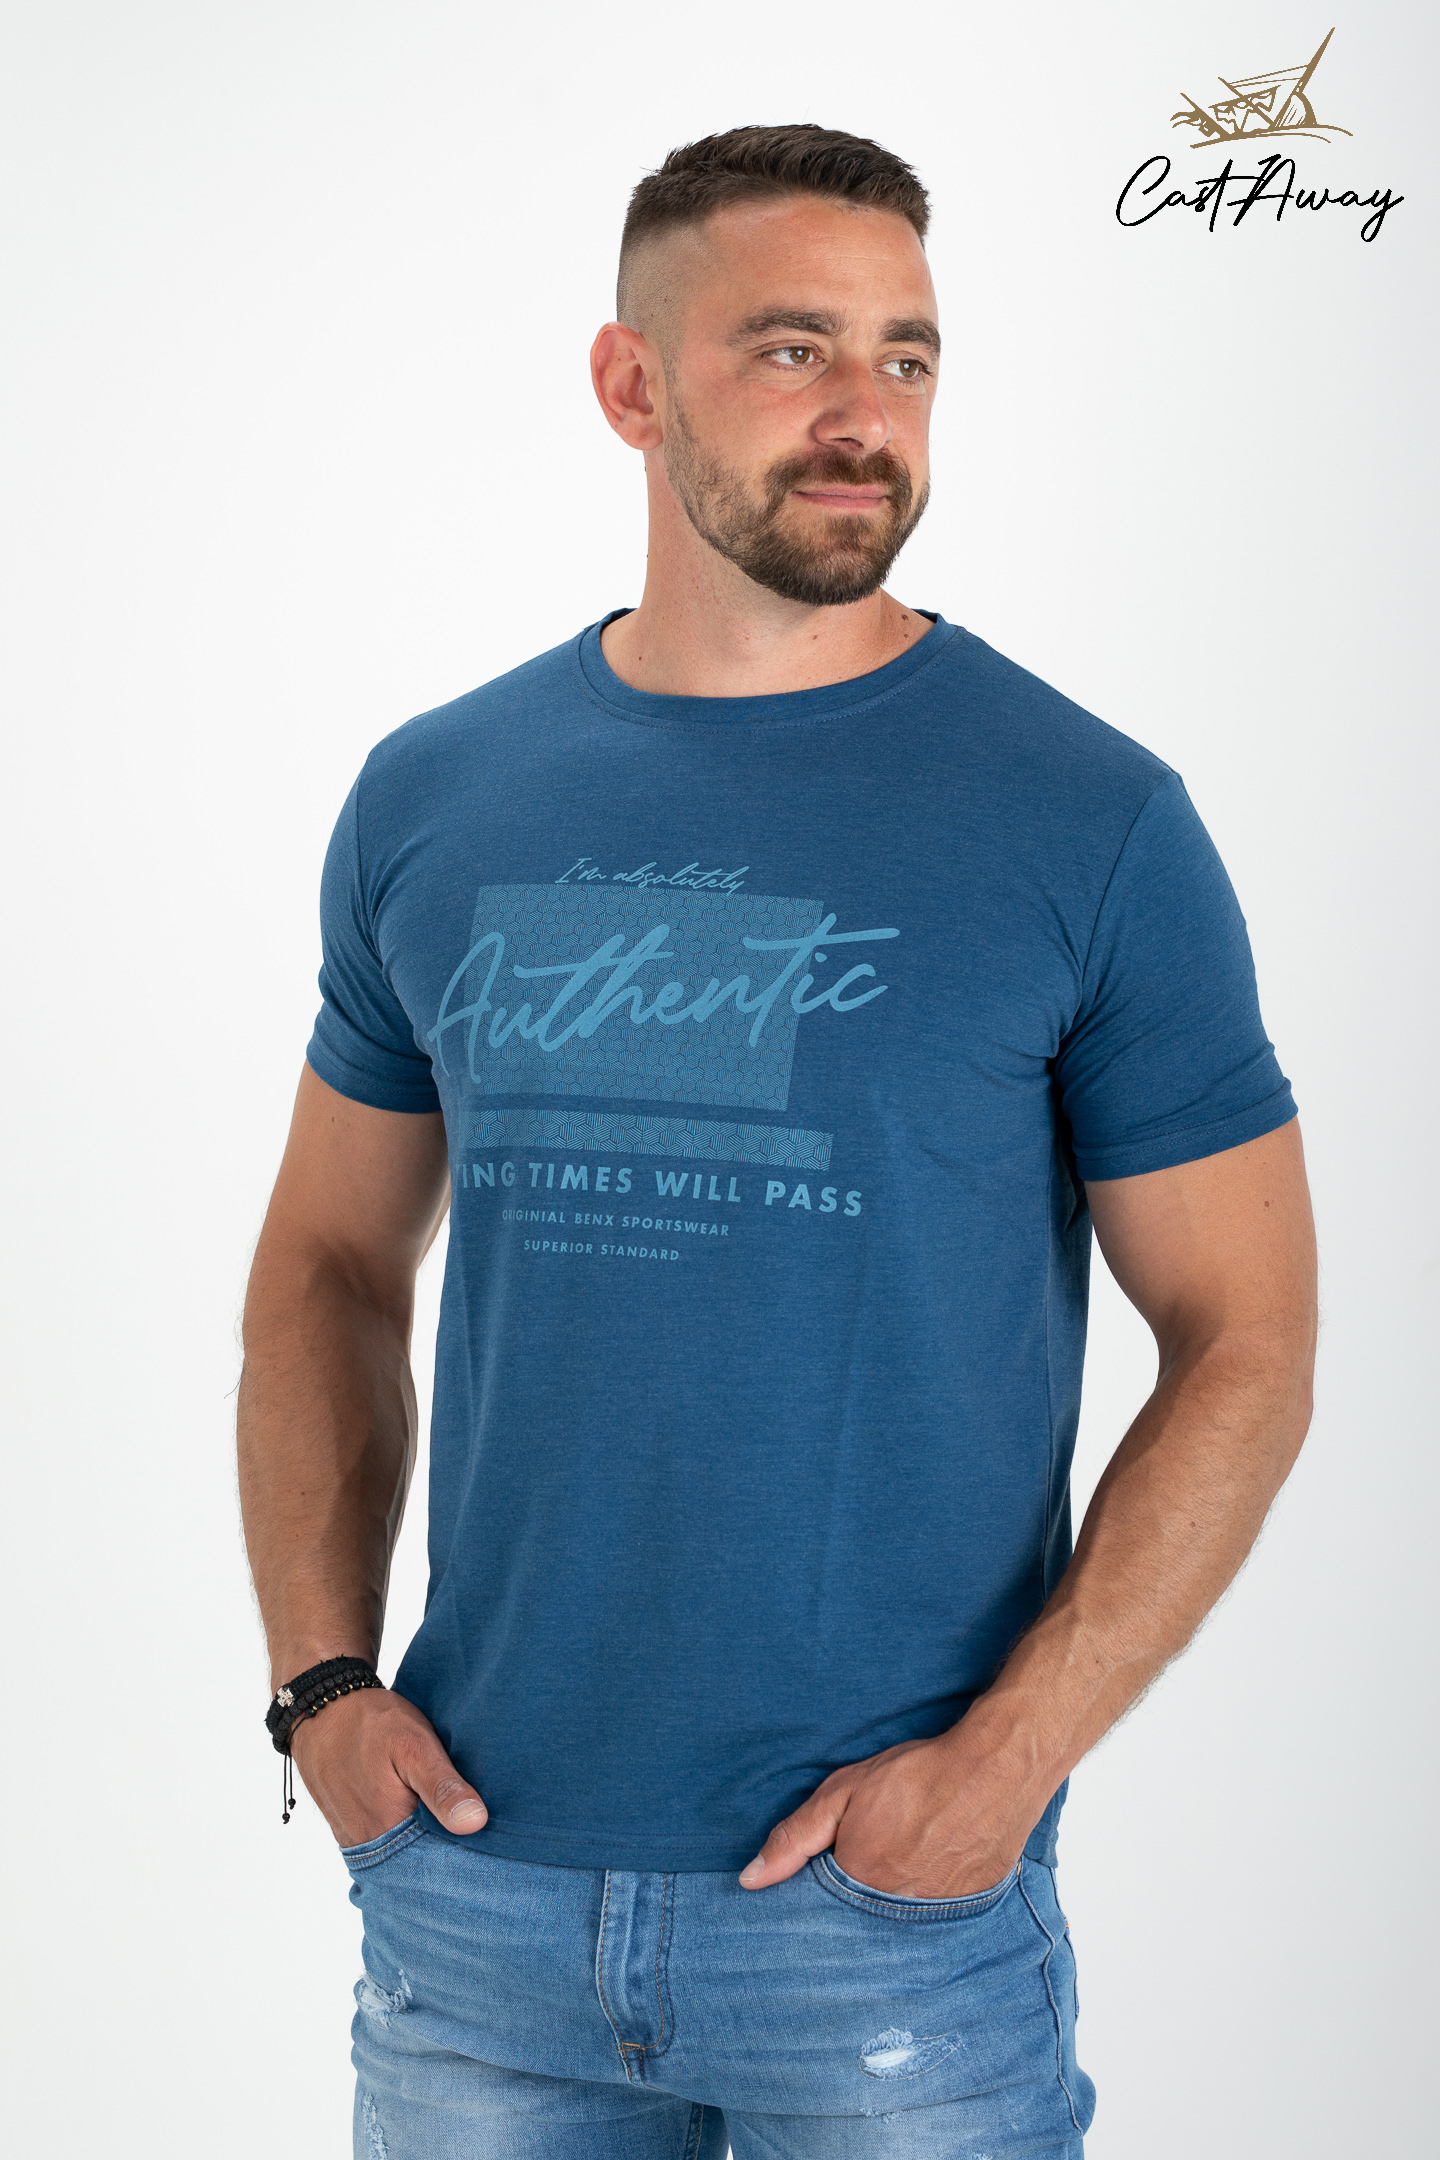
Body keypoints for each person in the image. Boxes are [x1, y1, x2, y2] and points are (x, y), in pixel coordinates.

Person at [238, 124, 1316, 2160]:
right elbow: (328, 1263)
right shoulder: (437, 797)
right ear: (630, 385)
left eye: (908, 358)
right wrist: (318, 1687)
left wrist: (1008, 1764)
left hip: (886, 1924)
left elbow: (1248, 1335)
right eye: (794, 349)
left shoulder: (1091, 821)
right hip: (472, 1900)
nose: (865, 417)